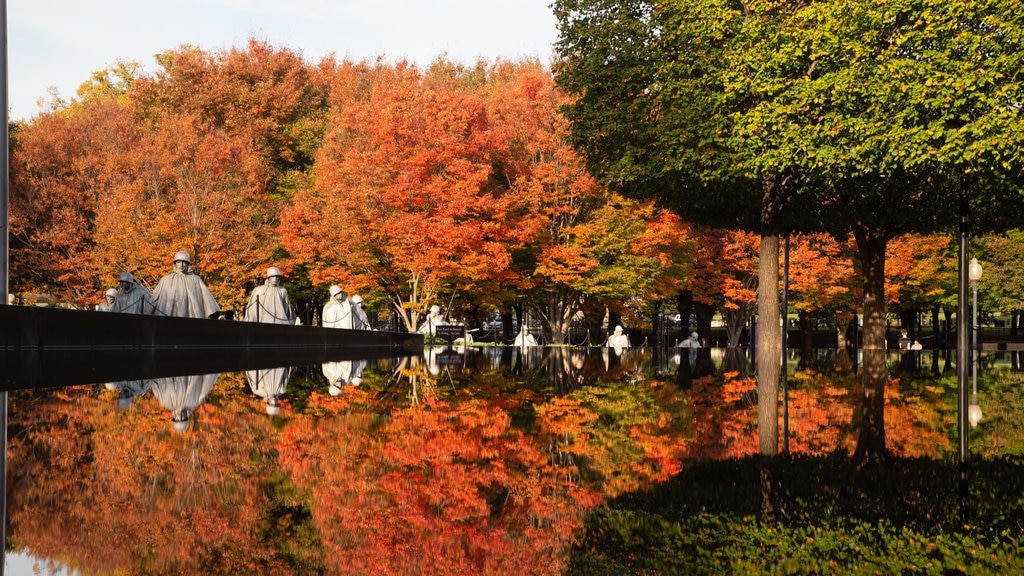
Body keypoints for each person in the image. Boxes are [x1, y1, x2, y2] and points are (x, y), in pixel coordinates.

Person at [152, 250, 220, 319]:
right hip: (166, 321)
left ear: (187, 264)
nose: (181, 265)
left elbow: (208, 301)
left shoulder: (196, 280)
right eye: (178, 262)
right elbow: (153, 300)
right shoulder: (165, 280)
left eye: (184, 262)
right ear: (175, 263)